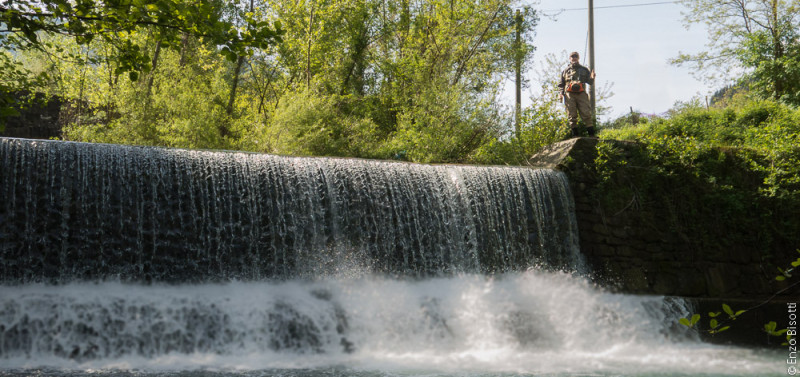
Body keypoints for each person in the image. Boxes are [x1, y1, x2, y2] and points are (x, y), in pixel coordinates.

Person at [558, 51, 596, 137]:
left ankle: (591, 134)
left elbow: (589, 82)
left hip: (581, 93)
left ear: (578, 58)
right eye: (572, 56)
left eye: (576, 56)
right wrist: (561, 93)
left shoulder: (584, 69)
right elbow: (561, 84)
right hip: (569, 94)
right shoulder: (565, 71)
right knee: (572, 114)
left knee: (586, 113)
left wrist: (593, 78)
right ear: (570, 58)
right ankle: (575, 135)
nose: (574, 58)